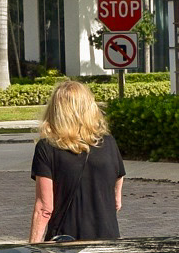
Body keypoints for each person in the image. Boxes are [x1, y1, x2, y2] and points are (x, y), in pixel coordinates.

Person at [28, 78, 125, 242]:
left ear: (56, 111)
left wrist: (33, 249)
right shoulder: (108, 142)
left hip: (66, 243)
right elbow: (117, 197)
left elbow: (44, 208)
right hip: (107, 241)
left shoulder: (47, 148)